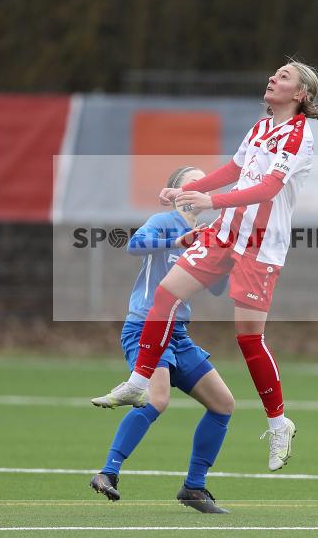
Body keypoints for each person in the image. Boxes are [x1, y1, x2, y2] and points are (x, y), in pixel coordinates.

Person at [92, 59, 318, 471]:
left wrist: (209, 200)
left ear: (301, 94)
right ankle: (139, 382)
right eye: (274, 73)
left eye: (284, 76)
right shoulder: (261, 127)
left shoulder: (299, 135)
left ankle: (278, 423)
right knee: (166, 293)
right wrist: (187, 191)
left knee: (249, 338)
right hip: (226, 231)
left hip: (260, 244)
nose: (273, 77)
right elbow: (234, 169)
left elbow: (269, 187)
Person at [89, 166, 235, 514]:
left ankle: (194, 487)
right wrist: (178, 241)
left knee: (223, 404)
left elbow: (217, 289)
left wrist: (227, 259)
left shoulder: (207, 235)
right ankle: (107, 472)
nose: (200, 187)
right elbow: (134, 245)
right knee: (158, 398)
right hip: (145, 327)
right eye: (192, 182)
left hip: (178, 333)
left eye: (204, 183)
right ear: (175, 192)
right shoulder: (163, 222)